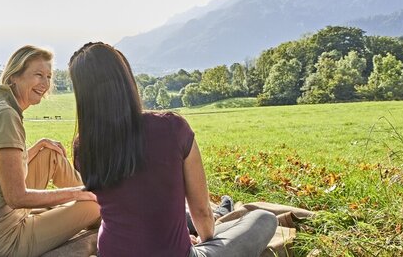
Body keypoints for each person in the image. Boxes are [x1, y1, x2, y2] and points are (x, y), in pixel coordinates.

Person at [68, 42, 277, 257]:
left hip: (110, 252)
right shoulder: (172, 127)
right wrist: (205, 243)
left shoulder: (82, 147)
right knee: (264, 219)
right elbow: (201, 212)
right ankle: (220, 216)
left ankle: (221, 214)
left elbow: (128, 205)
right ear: (125, 77)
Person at [0, 45, 100, 257]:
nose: (45, 84)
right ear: (14, 76)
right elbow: (16, 197)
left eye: (48, 76)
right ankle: (100, 204)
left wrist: (38, 146)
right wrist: (77, 193)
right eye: (38, 75)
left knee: (49, 154)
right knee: (94, 207)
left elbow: (1, 167)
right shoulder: (5, 115)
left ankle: (96, 195)